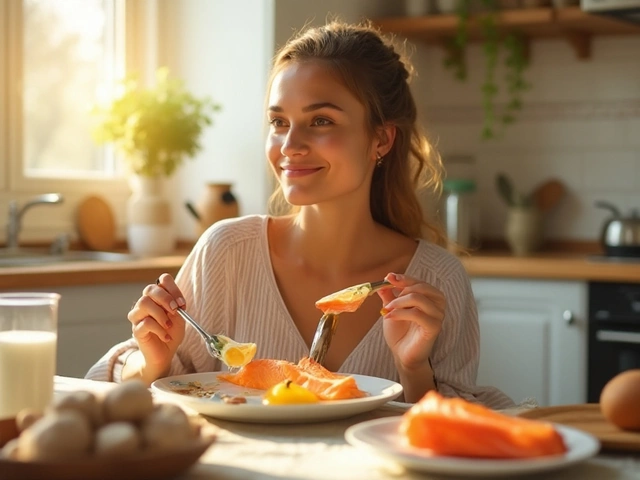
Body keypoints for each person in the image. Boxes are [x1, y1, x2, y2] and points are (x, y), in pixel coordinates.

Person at [86, 19, 514, 408]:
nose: (290, 145)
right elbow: (126, 392)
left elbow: (453, 436)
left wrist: (413, 368)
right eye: (278, 122)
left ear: (381, 139)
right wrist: (151, 360)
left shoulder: (438, 281)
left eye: (321, 121)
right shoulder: (227, 253)